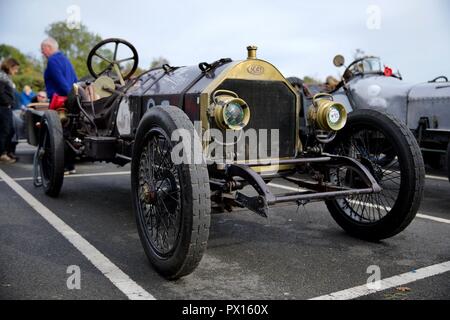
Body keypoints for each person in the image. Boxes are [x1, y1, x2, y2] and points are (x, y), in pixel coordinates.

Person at [41, 37, 78, 174]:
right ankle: (70, 165)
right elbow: (75, 81)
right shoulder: (66, 60)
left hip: (59, 101)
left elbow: (61, 82)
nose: (42, 53)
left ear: (48, 47)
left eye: (42, 49)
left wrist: (67, 96)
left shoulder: (52, 61)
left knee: (58, 133)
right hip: (71, 100)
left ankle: (62, 166)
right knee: (70, 131)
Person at [0, 58, 20, 164]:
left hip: (6, 107)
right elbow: (1, 93)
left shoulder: (5, 76)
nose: (16, 71)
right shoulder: (2, 77)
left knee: (10, 130)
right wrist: (7, 102)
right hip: (3, 108)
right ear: (10, 66)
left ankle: (6, 152)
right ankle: (2, 154)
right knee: (5, 131)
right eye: (15, 69)